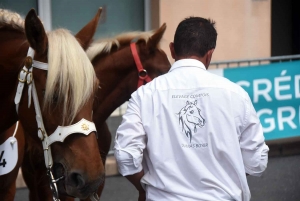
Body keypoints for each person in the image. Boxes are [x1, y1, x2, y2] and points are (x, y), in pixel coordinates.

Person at [114, 17, 269, 201]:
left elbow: (125, 156)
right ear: (210, 54)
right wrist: (225, 179)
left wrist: (145, 189)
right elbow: (257, 161)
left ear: (172, 49)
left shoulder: (145, 95)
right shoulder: (235, 94)